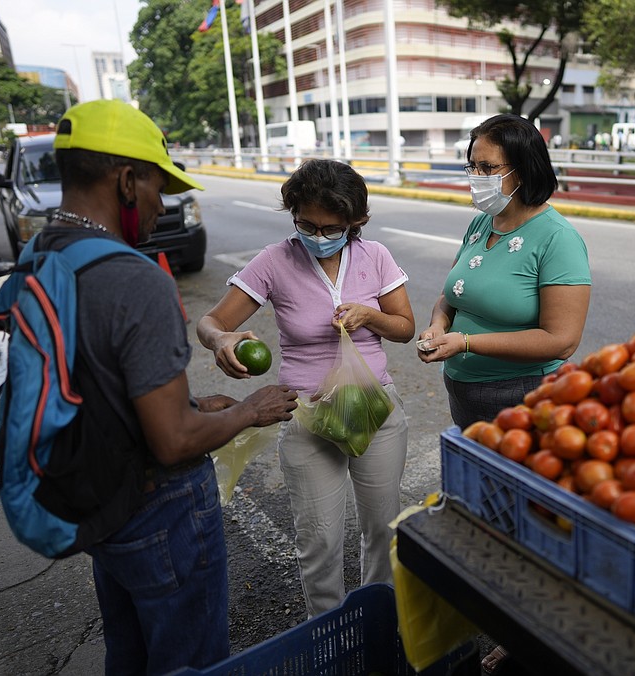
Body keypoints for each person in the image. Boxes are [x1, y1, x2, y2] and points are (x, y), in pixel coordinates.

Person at [45, 99, 299, 675]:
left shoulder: (43, 257)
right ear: (128, 180)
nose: (164, 203)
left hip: (98, 500)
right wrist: (249, 411)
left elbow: (96, 380)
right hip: (160, 509)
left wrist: (186, 404)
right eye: (160, 186)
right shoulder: (135, 278)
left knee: (129, 652)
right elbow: (174, 443)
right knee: (190, 660)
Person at [196, 158, 415, 617]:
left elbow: (404, 328)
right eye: (307, 225)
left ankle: (377, 620)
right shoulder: (274, 261)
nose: (318, 236)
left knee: (381, 527)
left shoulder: (375, 257)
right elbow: (212, 321)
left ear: (354, 221)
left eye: (331, 227)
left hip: (374, 409)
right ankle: (328, 631)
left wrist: (369, 315)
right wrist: (221, 340)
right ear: (293, 214)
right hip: (306, 414)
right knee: (317, 537)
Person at [416, 113, 591, 674]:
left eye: (487, 167)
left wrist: (466, 341)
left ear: (522, 171)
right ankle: (490, 618)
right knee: (487, 517)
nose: (476, 177)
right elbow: (451, 292)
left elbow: (561, 338)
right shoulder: (480, 227)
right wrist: (439, 325)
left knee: (528, 521)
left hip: (523, 398)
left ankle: (528, 637)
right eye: (472, 165)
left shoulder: (557, 238)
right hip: (467, 396)